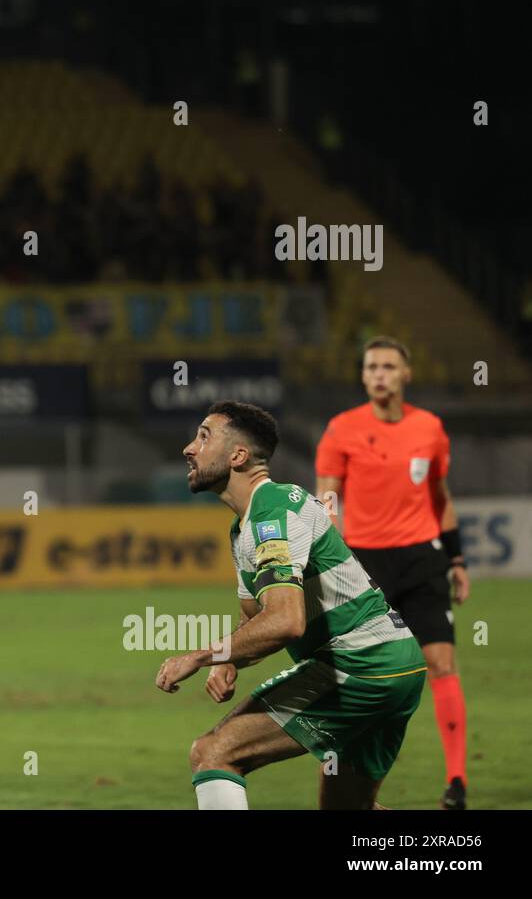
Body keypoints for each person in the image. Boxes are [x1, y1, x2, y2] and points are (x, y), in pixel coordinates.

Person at [157, 401, 426, 810]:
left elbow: (286, 622)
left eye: (204, 436)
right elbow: (257, 617)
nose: (189, 448)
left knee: (214, 753)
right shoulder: (246, 526)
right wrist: (229, 660)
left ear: (239, 456)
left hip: (359, 666)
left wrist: (198, 656)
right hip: (397, 663)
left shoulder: (272, 513)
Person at [315, 336, 471, 809]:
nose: (380, 373)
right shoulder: (341, 430)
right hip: (364, 565)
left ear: (406, 374)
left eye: (388, 366)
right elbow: (327, 500)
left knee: (442, 663)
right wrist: (334, 559)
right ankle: (351, 784)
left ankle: (457, 783)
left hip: (423, 559)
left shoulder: (430, 428)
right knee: (360, 676)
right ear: (363, 376)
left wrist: (457, 560)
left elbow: (440, 498)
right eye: (371, 366)